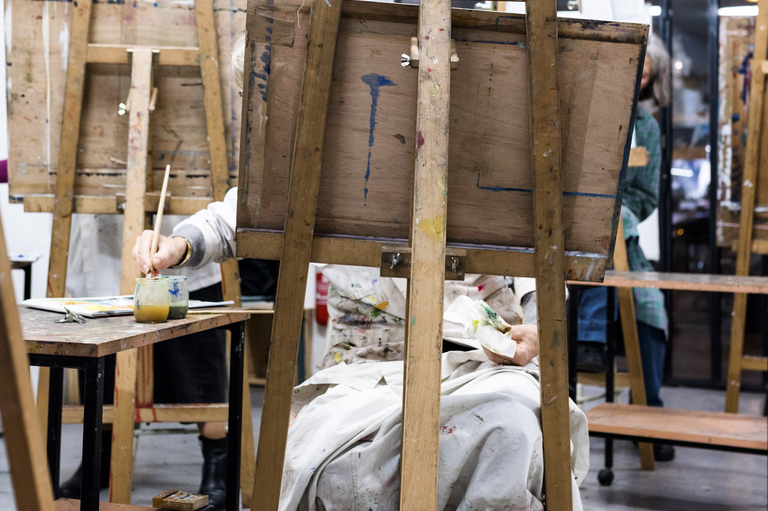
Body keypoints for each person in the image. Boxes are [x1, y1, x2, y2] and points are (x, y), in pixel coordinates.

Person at [135, 194, 592, 511]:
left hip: (481, 362)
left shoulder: (488, 149)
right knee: (322, 463)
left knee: (512, 433)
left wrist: (537, 327)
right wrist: (178, 245)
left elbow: (543, 255)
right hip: (362, 369)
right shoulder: (337, 149)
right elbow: (235, 217)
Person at [0, 163, 232, 505]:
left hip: (174, 236)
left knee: (195, 364)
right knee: (104, 370)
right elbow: (47, 153)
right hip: (99, 245)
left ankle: (217, 459)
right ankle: (101, 456)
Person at [573, 32, 672, 462]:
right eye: (635, 68)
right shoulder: (588, 106)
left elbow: (646, 196)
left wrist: (618, 214)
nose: (637, 78)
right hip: (572, 233)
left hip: (622, 238)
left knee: (650, 307)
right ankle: (587, 344)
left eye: (645, 75)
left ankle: (649, 414)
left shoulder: (647, 128)